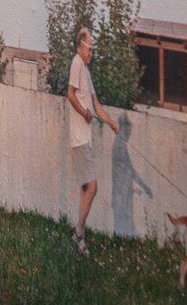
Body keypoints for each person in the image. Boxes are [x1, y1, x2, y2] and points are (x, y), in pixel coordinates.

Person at [67, 25, 119, 254]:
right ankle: (78, 232)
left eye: (92, 49)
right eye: (89, 48)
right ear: (80, 47)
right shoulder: (76, 63)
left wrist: (110, 122)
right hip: (79, 138)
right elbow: (70, 94)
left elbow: (96, 104)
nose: (91, 53)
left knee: (85, 189)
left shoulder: (86, 72)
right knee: (93, 187)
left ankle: (79, 238)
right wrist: (84, 113)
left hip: (85, 138)